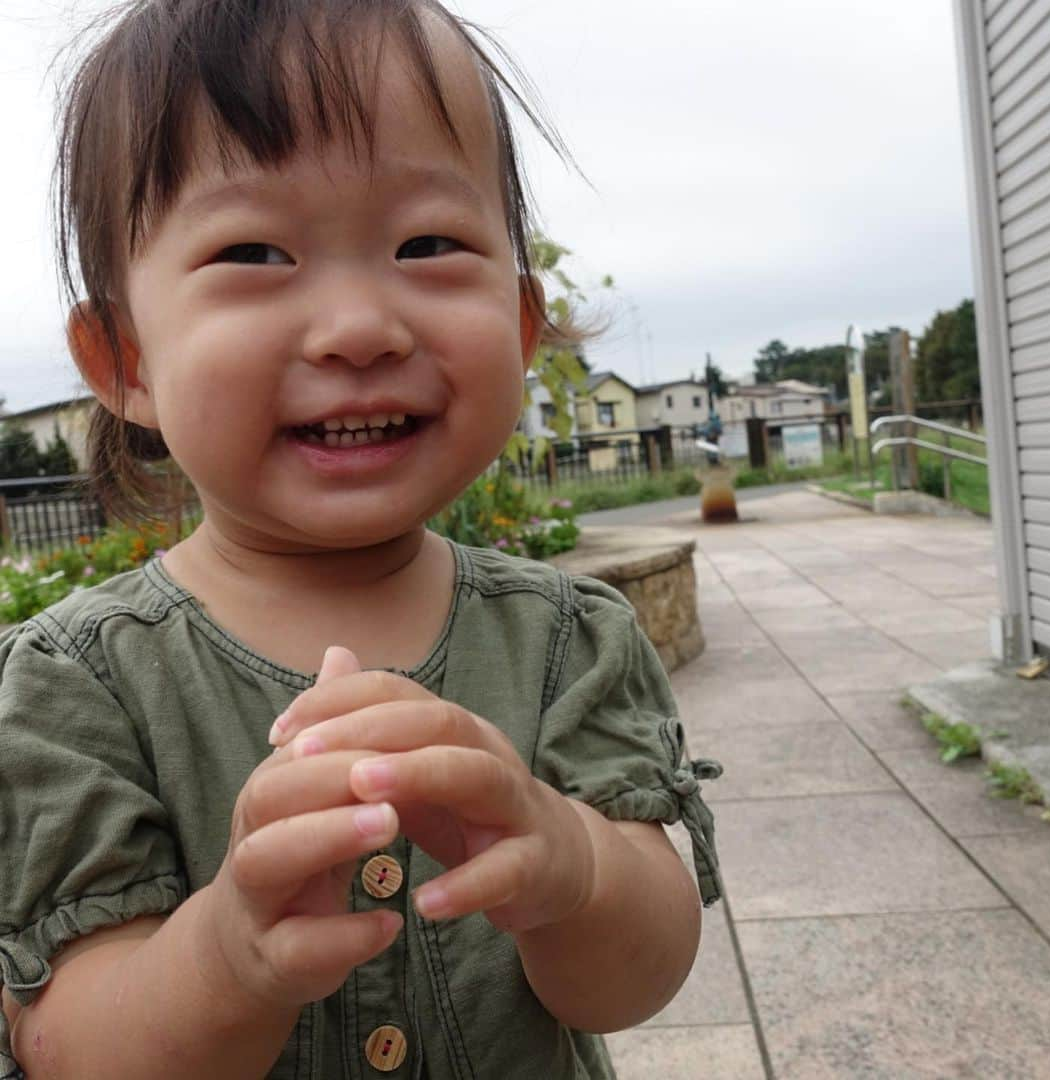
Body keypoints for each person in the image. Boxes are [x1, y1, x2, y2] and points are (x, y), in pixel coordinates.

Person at [0, 2, 721, 1077]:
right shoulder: (74, 687)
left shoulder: (572, 637)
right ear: (124, 360)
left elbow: (637, 977)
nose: (358, 328)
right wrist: (229, 955)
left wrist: (567, 863)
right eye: (253, 251)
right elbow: (68, 1042)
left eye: (427, 243)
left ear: (521, 328)